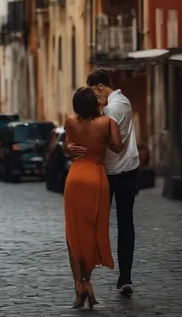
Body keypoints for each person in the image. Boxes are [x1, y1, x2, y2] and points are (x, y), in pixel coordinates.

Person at [68, 69, 140, 297]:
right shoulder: (115, 105)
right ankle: (100, 275)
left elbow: (106, 138)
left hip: (117, 171)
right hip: (112, 170)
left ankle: (120, 275)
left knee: (116, 223)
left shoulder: (113, 108)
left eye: (91, 90)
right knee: (109, 222)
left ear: (99, 86)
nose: (91, 96)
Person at [64, 87, 123, 308]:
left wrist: (71, 147)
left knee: (73, 233)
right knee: (93, 231)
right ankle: (87, 281)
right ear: (95, 104)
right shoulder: (107, 123)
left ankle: (78, 285)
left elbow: (66, 147)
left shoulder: (70, 122)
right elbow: (118, 147)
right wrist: (104, 138)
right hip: (96, 178)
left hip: (75, 177)